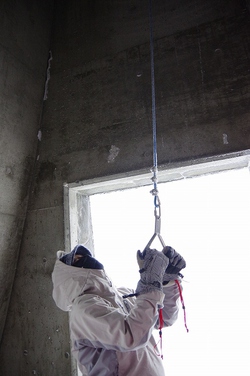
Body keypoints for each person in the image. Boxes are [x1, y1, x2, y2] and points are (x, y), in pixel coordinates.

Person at [52, 244, 186, 376]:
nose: (84, 258)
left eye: (84, 256)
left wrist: (165, 281)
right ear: (71, 275)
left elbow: (164, 317)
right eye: (76, 259)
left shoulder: (123, 295)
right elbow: (131, 336)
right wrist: (150, 283)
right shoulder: (83, 309)